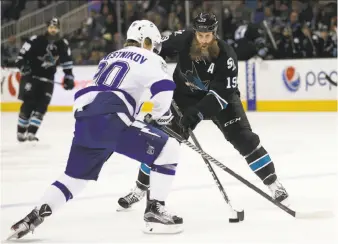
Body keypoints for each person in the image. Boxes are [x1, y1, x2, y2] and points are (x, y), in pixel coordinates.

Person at [7, 20, 183, 240]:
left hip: (86, 119)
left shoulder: (108, 57)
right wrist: (159, 115)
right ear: (146, 41)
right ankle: (155, 210)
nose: (155, 50)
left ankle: (33, 216)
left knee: (74, 178)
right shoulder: (149, 57)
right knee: (169, 149)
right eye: (153, 45)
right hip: (112, 117)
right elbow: (164, 89)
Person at [118, 13, 289, 210]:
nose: (204, 40)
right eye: (200, 35)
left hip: (220, 100)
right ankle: (139, 189)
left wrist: (198, 112)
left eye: (208, 36)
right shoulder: (183, 38)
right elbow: (156, 48)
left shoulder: (226, 56)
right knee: (161, 143)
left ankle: (273, 184)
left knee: (245, 139)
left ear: (214, 34)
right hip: (185, 98)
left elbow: (221, 95)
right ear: (195, 33)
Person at [16, 17, 75, 142]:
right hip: (31, 77)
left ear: (58, 29)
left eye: (56, 28)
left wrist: (69, 76)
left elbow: (66, 61)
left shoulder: (62, 44)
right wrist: (23, 66)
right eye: (51, 27)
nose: (53, 30)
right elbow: (21, 56)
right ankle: (21, 132)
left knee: (42, 106)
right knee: (29, 104)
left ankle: (31, 133)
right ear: (47, 28)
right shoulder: (35, 40)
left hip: (48, 79)